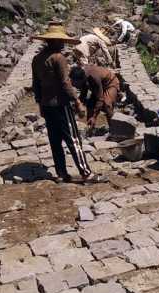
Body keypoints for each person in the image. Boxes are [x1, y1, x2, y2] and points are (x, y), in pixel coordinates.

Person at [31, 22, 106, 183]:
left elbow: (35, 84)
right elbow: (65, 83)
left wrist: (39, 104)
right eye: (61, 41)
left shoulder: (37, 59)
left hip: (46, 105)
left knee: (55, 140)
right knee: (73, 139)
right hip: (60, 104)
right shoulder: (59, 58)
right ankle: (86, 173)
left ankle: (61, 173)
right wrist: (77, 101)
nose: (63, 44)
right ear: (56, 41)